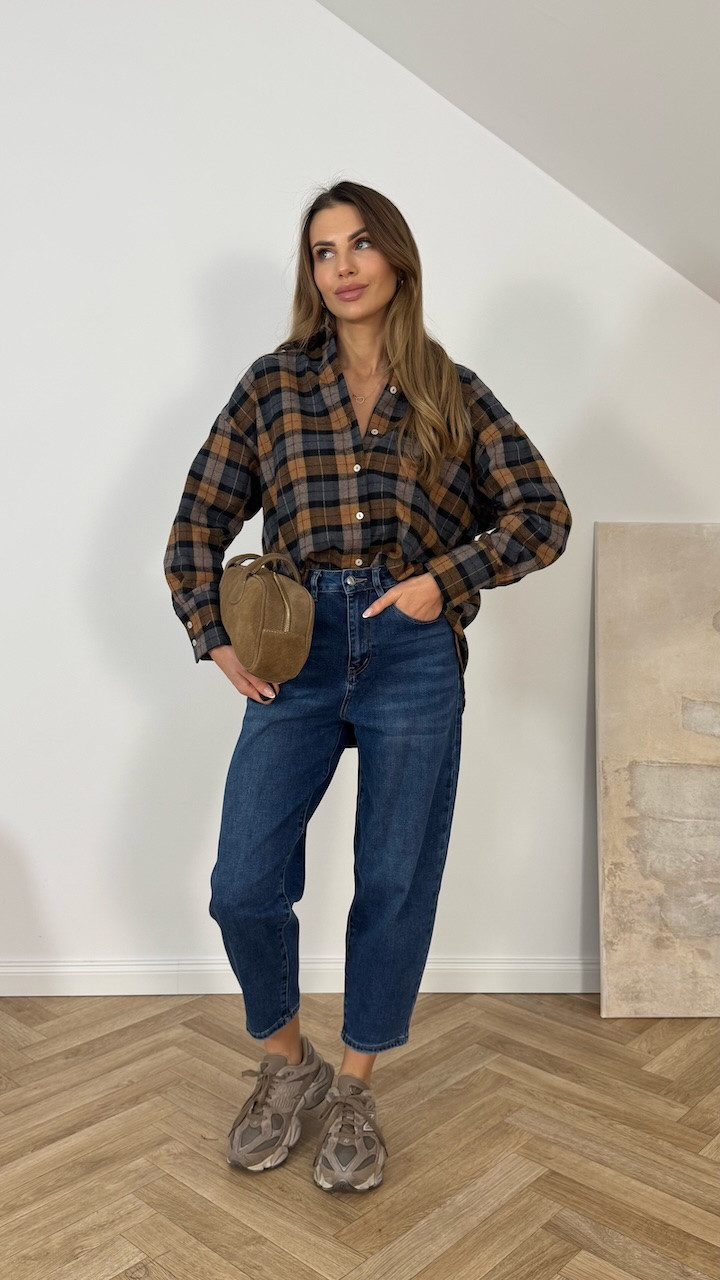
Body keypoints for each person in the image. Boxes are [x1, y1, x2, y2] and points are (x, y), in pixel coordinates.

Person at [163, 180, 572, 1192]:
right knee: (243, 883)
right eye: (322, 251)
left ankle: (354, 1085)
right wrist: (215, 636)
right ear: (312, 273)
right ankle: (287, 1063)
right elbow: (198, 521)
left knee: (393, 881)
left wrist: (446, 580)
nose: (342, 267)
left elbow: (542, 513)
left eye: (358, 245)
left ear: (395, 258)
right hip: (296, 649)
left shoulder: (451, 389)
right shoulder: (273, 385)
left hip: (411, 651)